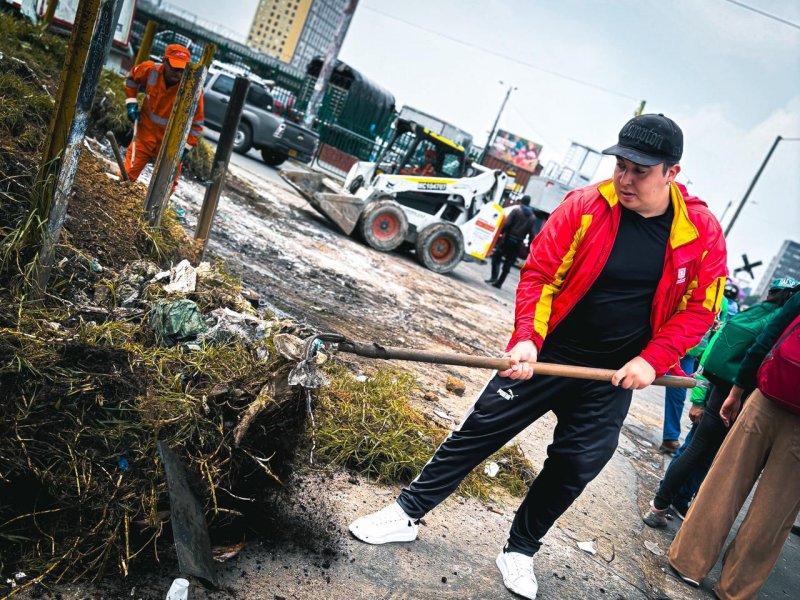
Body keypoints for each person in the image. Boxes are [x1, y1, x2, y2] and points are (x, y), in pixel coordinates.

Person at [348, 114, 726, 599]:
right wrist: (526, 336)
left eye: (640, 171)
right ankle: (406, 513)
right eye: (621, 165)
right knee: (481, 429)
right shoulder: (585, 207)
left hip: (613, 373)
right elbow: (540, 274)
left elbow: (700, 309)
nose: (625, 179)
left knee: (579, 463)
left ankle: (520, 549)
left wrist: (652, 359)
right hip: (550, 350)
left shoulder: (700, 232)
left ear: (671, 173)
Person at [668, 287, 800, 600]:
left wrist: (737, 390)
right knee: (775, 511)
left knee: (724, 482)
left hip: (766, 398)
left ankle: (688, 562)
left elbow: (768, 336)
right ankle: (735, 589)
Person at [643, 277, 798, 526]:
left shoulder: (751, 313)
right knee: (709, 455)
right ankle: (672, 505)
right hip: (740, 392)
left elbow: (713, 351)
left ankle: (661, 505)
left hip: (719, 386)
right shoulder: (780, 321)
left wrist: (701, 397)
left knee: (696, 448)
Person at [124, 44, 205, 192]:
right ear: (164, 62)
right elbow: (131, 78)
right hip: (145, 134)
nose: (178, 73)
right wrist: (131, 103)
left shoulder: (192, 88)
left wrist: (184, 149)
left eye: (182, 69)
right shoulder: (150, 70)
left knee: (165, 188)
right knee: (126, 175)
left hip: (171, 143)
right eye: (175, 68)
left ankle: (155, 214)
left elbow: (197, 124)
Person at [485, 195, 539, 290]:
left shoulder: (516, 211)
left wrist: (500, 233)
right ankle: (499, 283)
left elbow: (507, 224)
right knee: (508, 263)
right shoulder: (532, 218)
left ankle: (494, 277)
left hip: (508, 240)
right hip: (518, 243)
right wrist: (530, 247)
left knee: (496, 257)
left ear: (521, 201)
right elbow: (531, 234)